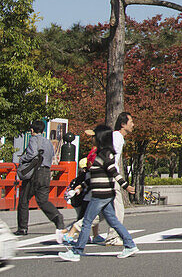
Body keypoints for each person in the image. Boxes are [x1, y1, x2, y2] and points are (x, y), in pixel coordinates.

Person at [57, 125, 138, 261]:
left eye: (94, 136)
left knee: (87, 221)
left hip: (100, 195)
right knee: (114, 221)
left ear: (100, 138)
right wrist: (79, 188)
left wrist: (125, 186)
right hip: (104, 194)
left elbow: (113, 172)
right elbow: (93, 177)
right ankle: (130, 245)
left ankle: (77, 251)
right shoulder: (101, 154)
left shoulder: (105, 154)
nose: (92, 139)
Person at [15, 119, 65, 242]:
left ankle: (23, 227)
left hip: (34, 173)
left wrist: (22, 158)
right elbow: (51, 155)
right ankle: (57, 217)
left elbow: (32, 154)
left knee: (24, 199)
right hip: (46, 172)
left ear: (32, 130)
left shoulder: (33, 139)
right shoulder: (48, 142)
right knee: (42, 200)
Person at [100, 112, 135, 246]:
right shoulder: (117, 137)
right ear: (123, 124)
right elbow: (109, 159)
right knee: (118, 209)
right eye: (130, 121)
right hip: (110, 176)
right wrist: (121, 181)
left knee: (102, 210)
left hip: (108, 175)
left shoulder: (117, 137)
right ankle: (113, 237)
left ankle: (74, 228)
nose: (133, 124)